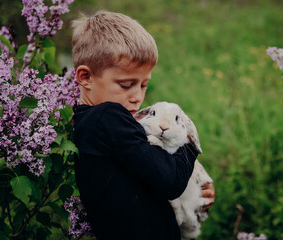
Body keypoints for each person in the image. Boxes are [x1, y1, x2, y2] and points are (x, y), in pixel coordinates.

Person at [71, 11, 215, 239]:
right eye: (127, 85)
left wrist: (195, 187)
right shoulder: (107, 116)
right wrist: (189, 140)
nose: (137, 97)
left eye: (144, 85)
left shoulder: (92, 123)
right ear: (85, 77)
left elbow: (153, 171)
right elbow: (170, 180)